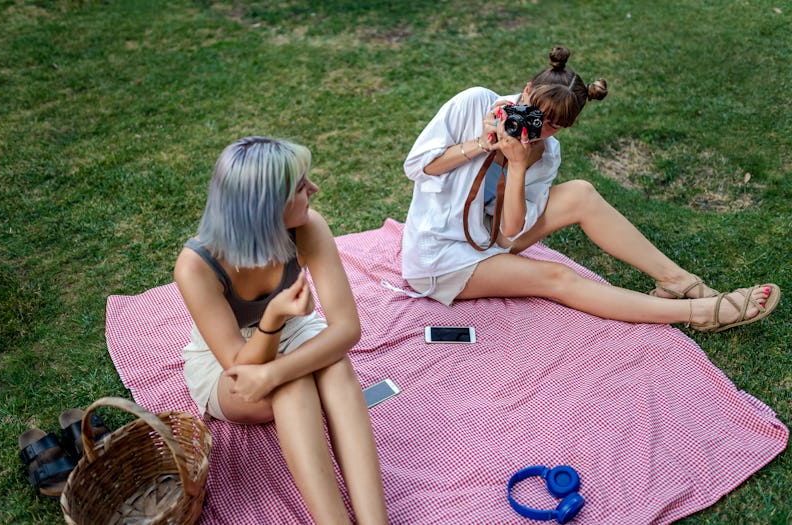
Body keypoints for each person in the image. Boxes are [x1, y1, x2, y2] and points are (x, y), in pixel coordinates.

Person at [400, 45, 780, 332]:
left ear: (566, 127)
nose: (538, 127)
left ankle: (676, 280)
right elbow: (418, 166)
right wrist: (482, 144)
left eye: (553, 126)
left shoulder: (545, 153)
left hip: (491, 237)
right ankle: (696, 313)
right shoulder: (475, 103)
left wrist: (518, 165)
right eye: (535, 112)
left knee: (580, 192)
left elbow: (508, 234)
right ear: (527, 88)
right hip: (441, 254)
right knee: (557, 278)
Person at [175, 137, 389, 524]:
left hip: (292, 331)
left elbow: (347, 329)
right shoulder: (196, 266)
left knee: (336, 369)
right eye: (301, 186)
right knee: (293, 387)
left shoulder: (308, 226)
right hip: (224, 361)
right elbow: (242, 369)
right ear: (265, 206)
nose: (314, 189)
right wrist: (272, 318)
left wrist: (276, 366)